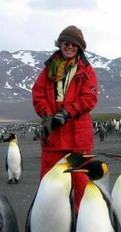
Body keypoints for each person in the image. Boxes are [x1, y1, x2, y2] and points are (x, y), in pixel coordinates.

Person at [32, 25, 98, 213]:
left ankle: (81, 219)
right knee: (48, 184)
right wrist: (47, 116)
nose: (69, 47)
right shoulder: (49, 69)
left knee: (81, 184)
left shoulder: (86, 70)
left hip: (77, 137)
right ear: (60, 44)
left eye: (74, 45)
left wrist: (66, 112)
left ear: (79, 47)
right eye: (66, 43)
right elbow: (38, 94)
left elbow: (89, 98)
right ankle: (51, 219)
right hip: (53, 134)